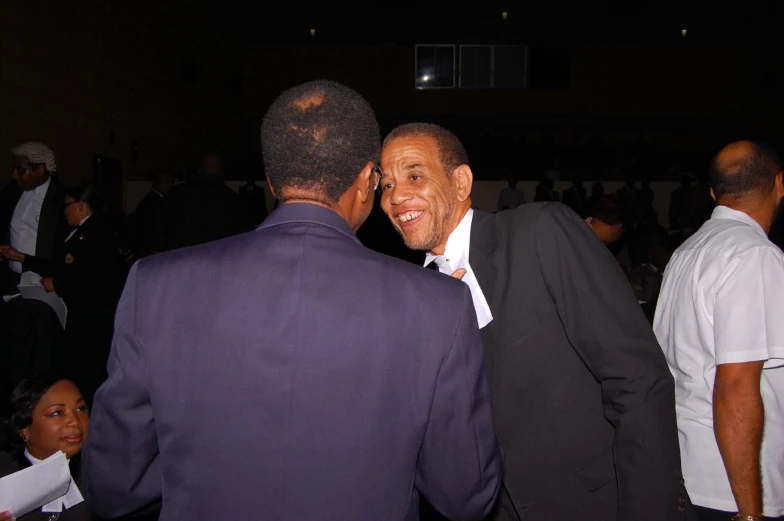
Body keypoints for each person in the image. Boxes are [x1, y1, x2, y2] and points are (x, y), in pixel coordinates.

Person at [81, 80, 502, 521]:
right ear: (365, 181)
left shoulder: (154, 287)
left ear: (270, 179)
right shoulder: (439, 305)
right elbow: (466, 496)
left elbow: (112, 486)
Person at [379, 122, 687, 521]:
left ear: (460, 182)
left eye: (414, 176)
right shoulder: (417, 294)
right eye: (385, 185)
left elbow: (638, 380)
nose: (397, 196)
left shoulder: (538, 231)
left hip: (602, 503)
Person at [654, 141, 784, 521]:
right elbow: (736, 387)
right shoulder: (754, 256)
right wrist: (750, 513)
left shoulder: (687, 252)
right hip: (731, 487)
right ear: (780, 184)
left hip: (685, 468)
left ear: (714, 193)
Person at [0, 185, 126, 406]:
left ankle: (90, 414)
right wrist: (23, 258)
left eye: (67, 205)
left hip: (94, 317)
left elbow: (95, 276)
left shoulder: (98, 232)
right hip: (84, 314)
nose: (64, 211)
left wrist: (57, 283)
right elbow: (60, 266)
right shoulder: (80, 232)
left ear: (81, 205)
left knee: (89, 370)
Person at [0, 374, 92, 521]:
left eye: (81, 409)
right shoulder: (4, 475)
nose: (75, 421)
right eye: (57, 413)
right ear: (24, 427)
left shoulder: (108, 471)